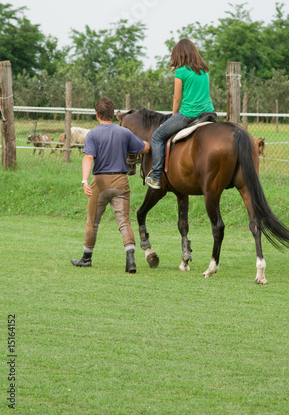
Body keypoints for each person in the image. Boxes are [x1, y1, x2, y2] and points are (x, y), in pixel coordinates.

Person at [71, 97, 150, 273]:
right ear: (114, 114)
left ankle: (86, 258)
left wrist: (85, 180)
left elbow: (88, 158)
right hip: (121, 182)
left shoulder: (92, 134)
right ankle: (130, 259)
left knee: (92, 221)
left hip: (99, 183)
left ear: (96, 114)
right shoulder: (124, 133)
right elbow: (143, 148)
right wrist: (149, 143)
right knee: (124, 222)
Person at [145, 38, 214, 189]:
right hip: (209, 113)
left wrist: (173, 115)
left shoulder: (181, 71)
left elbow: (177, 98)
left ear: (179, 55)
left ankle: (156, 177)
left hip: (189, 114)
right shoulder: (204, 71)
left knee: (157, 136)